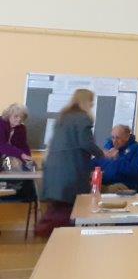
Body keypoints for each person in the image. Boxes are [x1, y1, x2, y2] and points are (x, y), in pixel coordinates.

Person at [37, 88, 104, 236]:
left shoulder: (63, 117)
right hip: (70, 170)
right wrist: (103, 154)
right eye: (91, 101)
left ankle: (52, 235)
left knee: (58, 207)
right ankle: (66, 240)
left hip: (54, 169)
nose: (92, 104)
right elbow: (85, 143)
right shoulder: (83, 118)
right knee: (71, 208)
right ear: (86, 101)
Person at [91, 124, 138, 191]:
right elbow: (94, 163)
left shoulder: (137, 149)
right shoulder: (108, 146)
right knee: (83, 187)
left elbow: (135, 171)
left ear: (127, 137)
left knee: (108, 190)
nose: (114, 141)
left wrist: (117, 159)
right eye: (113, 137)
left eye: (118, 138)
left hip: (124, 186)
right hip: (103, 183)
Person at [1, 103, 32, 168]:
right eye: (16, 116)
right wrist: (21, 154)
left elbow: (23, 145)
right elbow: (1, 145)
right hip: (2, 154)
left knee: (28, 168)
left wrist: (28, 158)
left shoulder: (21, 128)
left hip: (10, 155)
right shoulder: (1, 124)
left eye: (22, 117)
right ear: (8, 115)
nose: (19, 119)